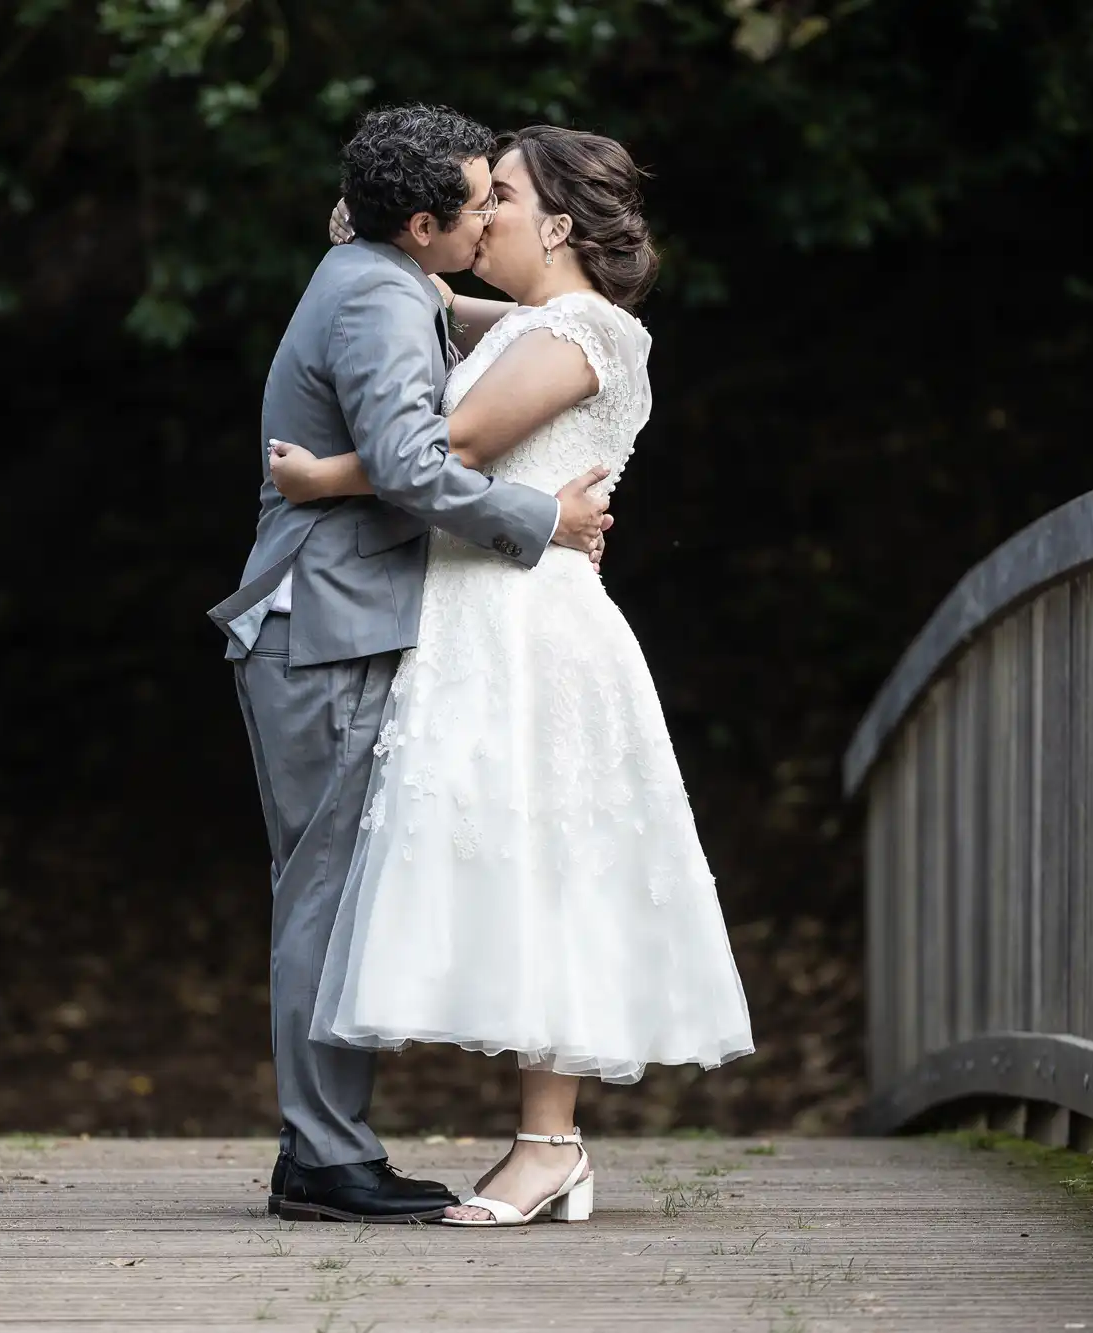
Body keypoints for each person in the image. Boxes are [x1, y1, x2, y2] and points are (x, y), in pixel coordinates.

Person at [267, 124, 755, 1227]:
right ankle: (536, 1143)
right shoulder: (540, 321)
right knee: (508, 876)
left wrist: (320, 479)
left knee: (550, 869)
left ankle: (549, 1143)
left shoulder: (583, 330)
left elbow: (447, 448)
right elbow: (443, 312)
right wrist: (375, 228)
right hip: (476, 619)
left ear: (557, 224)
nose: (481, 217)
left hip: (529, 631)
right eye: (471, 200)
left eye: (502, 199)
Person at [206, 105, 614, 1224]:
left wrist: (575, 313)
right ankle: (324, 1161)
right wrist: (542, 518)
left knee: (326, 894)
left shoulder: (376, 268)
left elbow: (449, 312)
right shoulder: (380, 296)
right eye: (477, 202)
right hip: (326, 624)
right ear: (422, 221)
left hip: (324, 619)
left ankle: (325, 1148)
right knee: (324, 900)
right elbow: (407, 465)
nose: (490, 213)